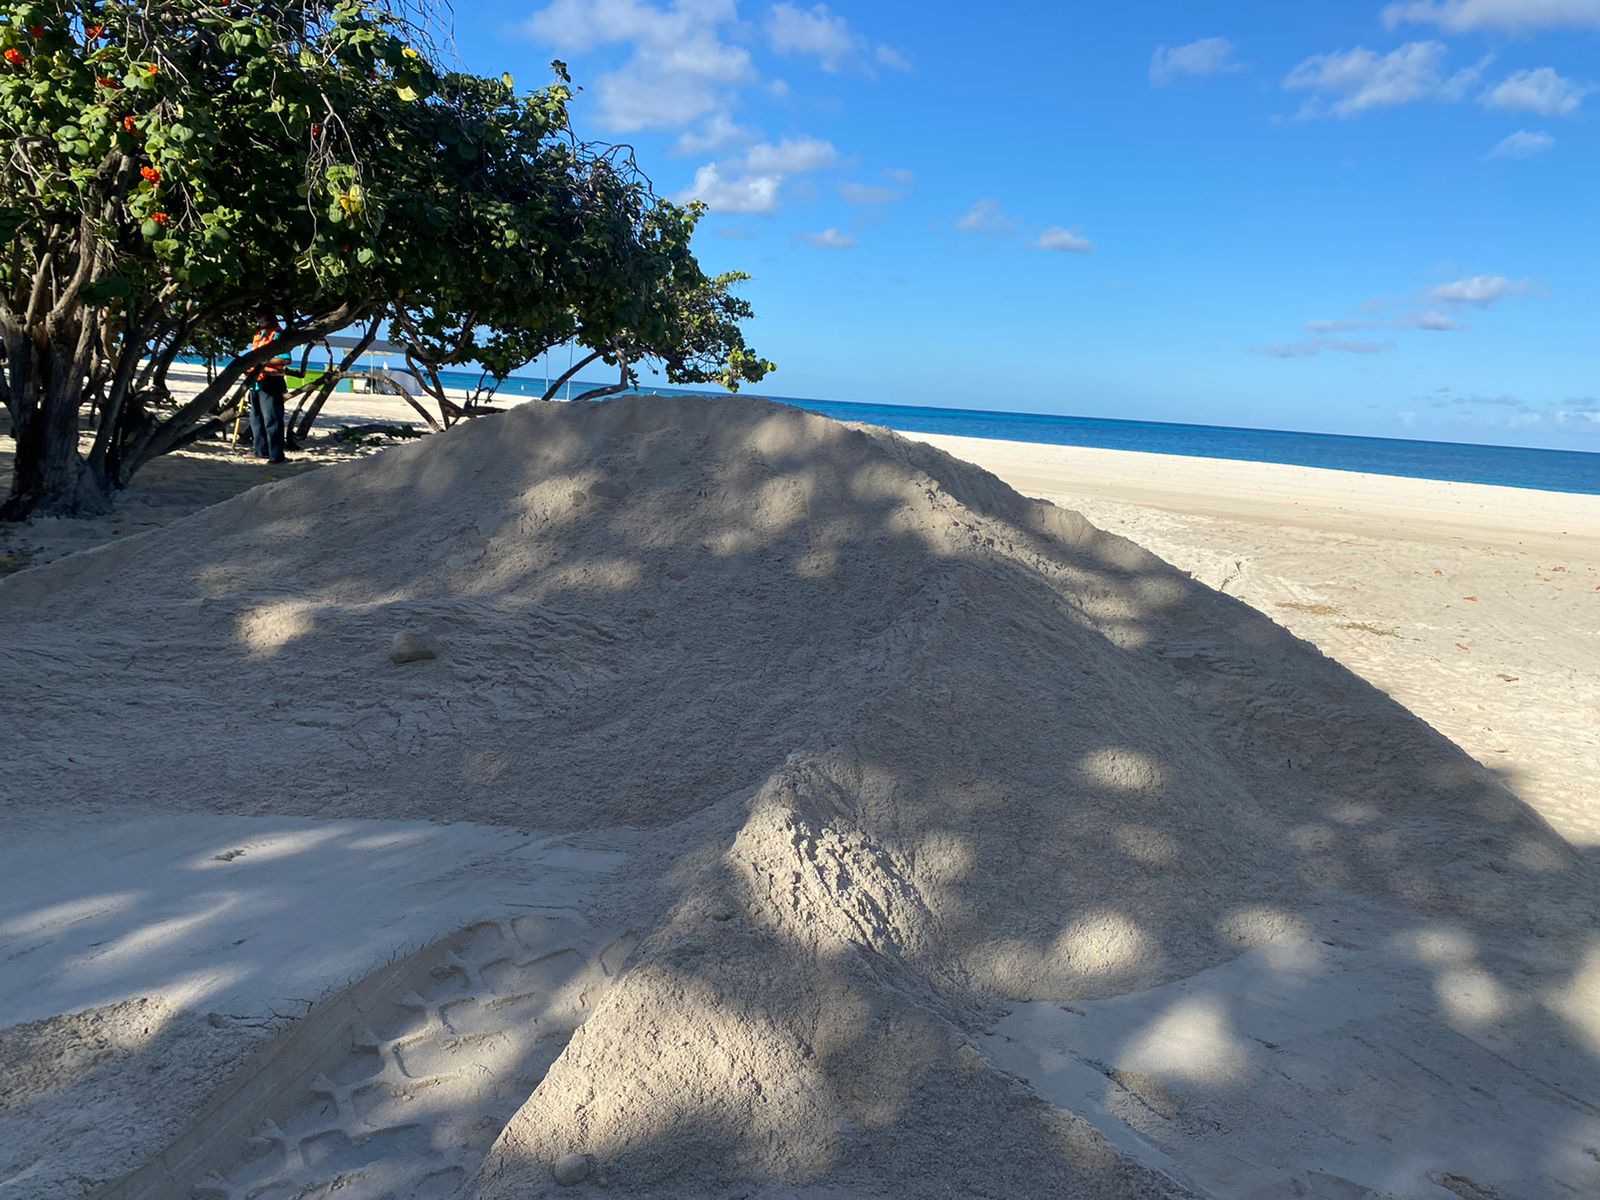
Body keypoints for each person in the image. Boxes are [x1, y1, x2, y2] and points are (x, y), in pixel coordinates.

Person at [247, 311, 291, 463]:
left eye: (260, 316)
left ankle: (276, 455)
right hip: (256, 381)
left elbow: (285, 359)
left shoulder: (278, 334)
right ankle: (261, 451)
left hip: (271, 381)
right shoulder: (259, 333)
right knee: (256, 419)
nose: (257, 319)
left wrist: (261, 360)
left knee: (272, 419)